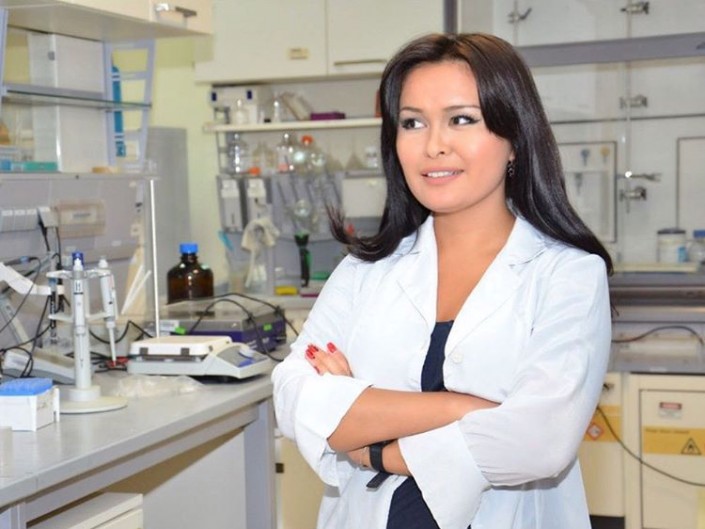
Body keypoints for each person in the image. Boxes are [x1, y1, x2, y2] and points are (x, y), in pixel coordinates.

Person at [271, 32, 613, 529]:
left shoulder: (567, 274)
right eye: (412, 122)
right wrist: (463, 407)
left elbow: (540, 440)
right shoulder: (365, 269)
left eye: (462, 119)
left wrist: (377, 447)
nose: (434, 146)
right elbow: (294, 398)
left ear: (514, 138)